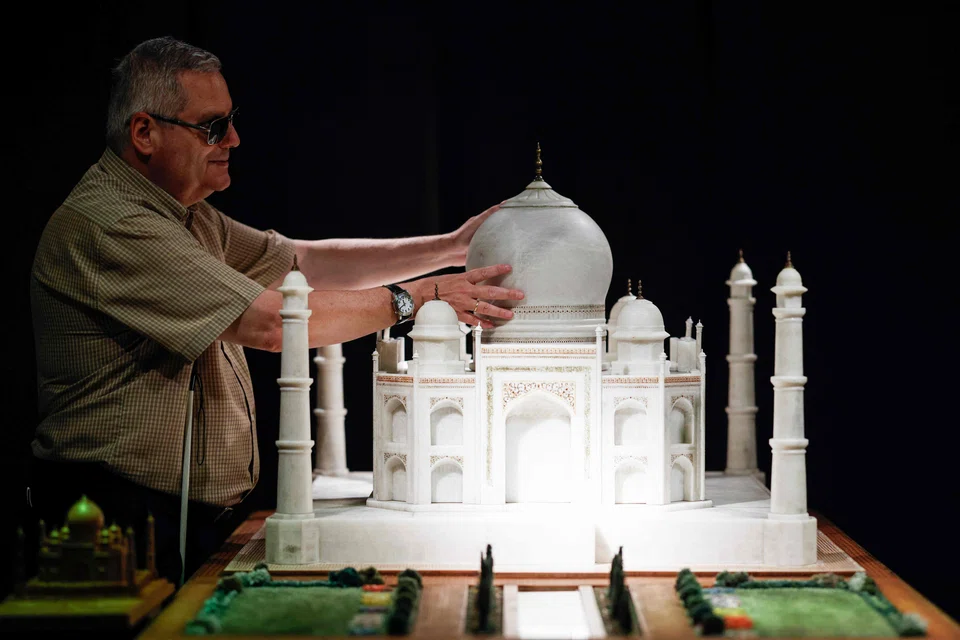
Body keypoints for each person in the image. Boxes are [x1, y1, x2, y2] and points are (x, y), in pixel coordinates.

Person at [27, 36, 523, 586]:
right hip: (115, 516)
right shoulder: (113, 224)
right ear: (144, 132)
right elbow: (271, 322)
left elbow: (304, 263)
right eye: (213, 127)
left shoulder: (187, 216)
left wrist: (449, 248)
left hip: (177, 516)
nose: (234, 140)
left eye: (231, 121)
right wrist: (417, 299)